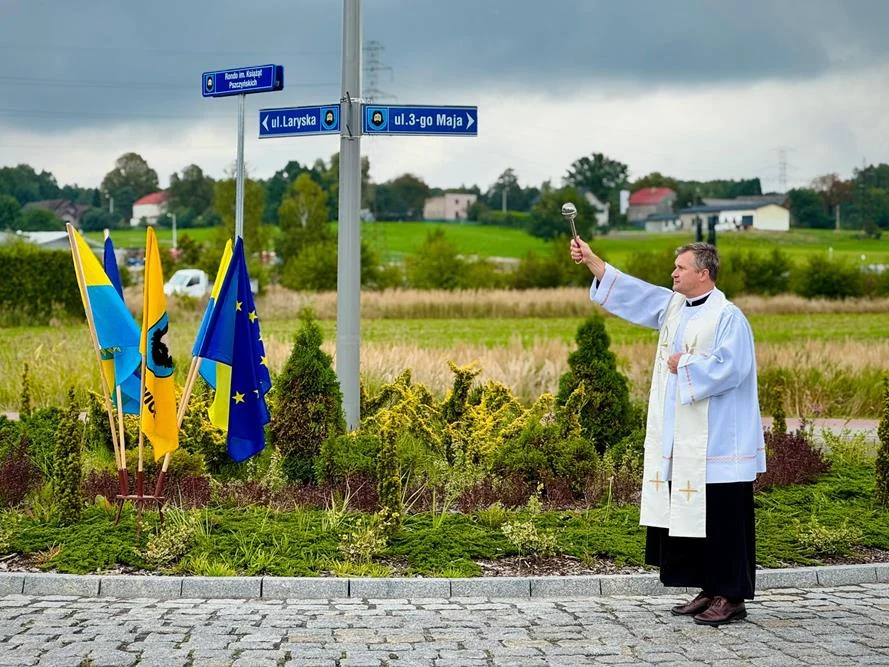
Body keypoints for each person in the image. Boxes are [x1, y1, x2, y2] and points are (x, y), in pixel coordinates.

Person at [570, 238, 765, 626]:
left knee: (726, 521)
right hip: (686, 438)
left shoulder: (729, 317)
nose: (673, 273)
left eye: (681, 267)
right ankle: (710, 588)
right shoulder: (675, 307)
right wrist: (593, 261)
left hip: (720, 441)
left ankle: (733, 596)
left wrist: (687, 364)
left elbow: (734, 368)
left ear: (703, 273)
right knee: (695, 518)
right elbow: (635, 294)